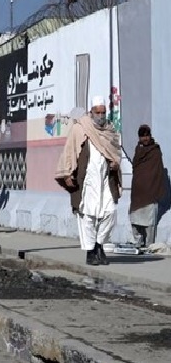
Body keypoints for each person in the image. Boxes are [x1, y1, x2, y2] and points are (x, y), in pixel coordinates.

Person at [55, 96, 122, 266]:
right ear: (91, 112)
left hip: (105, 179)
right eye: (97, 112)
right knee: (88, 216)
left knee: (110, 213)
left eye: (103, 112)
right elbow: (70, 150)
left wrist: (115, 163)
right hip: (87, 180)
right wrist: (68, 174)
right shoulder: (81, 128)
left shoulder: (110, 130)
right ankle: (91, 251)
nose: (100, 115)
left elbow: (116, 153)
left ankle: (99, 244)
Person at [129, 125, 167, 247]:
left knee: (149, 221)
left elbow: (157, 171)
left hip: (150, 191)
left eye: (147, 135)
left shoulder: (155, 150)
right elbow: (136, 167)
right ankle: (138, 242)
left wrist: (154, 186)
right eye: (142, 136)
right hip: (138, 192)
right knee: (135, 218)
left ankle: (149, 244)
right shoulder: (138, 149)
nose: (145, 138)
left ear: (150, 136)